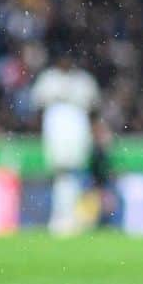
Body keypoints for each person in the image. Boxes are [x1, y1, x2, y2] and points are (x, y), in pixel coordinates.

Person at [30, 57, 101, 235]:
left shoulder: (84, 81)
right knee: (61, 174)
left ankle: (70, 217)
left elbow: (94, 110)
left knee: (73, 174)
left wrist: (94, 132)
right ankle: (62, 217)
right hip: (56, 127)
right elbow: (38, 108)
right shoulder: (48, 79)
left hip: (77, 128)